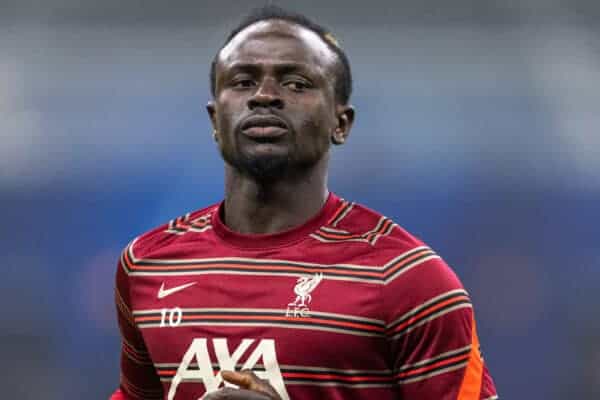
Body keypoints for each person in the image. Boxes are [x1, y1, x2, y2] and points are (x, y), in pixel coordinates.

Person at [111, 5, 498, 400]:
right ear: (214, 120)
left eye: (296, 84)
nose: (264, 96)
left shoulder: (408, 279)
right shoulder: (146, 265)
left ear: (341, 123)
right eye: (243, 81)